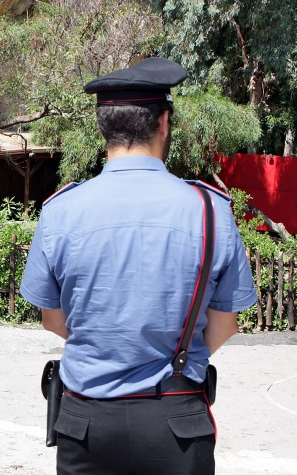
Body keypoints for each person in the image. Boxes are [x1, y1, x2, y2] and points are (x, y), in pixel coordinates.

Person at [20, 57, 257, 475]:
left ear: (103, 127)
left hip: (85, 422)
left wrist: (108, 343)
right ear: (164, 122)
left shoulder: (61, 210)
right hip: (176, 419)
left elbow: (52, 320)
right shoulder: (210, 210)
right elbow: (225, 325)